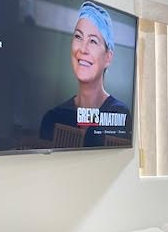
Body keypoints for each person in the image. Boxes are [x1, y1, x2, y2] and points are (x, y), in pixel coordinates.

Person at [39, 1, 132, 147]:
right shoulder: (54, 118)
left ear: (108, 57)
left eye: (93, 41)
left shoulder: (119, 114)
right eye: (78, 37)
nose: (83, 49)